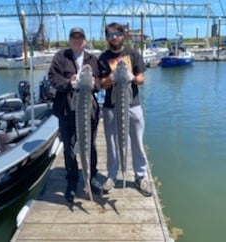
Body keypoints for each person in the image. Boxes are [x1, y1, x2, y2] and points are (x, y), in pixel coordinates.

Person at [98, 22, 152, 197]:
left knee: (137, 141)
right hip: (111, 107)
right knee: (112, 143)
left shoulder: (133, 53)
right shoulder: (103, 58)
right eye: (110, 35)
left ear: (123, 35)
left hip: (133, 104)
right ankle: (112, 177)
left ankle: (140, 176)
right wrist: (111, 78)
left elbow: (141, 78)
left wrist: (132, 78)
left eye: (117, 33)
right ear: (107, 38)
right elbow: (102, 84)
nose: (114, 37)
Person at [48, 27, 101, 202]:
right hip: (66, 110)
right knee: (70, 150)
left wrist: (95, 83)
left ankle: (92, 177)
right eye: (74, 37)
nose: (77, 40)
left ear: (84, 40)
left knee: (90, 145)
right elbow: (53, 79)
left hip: (88, 111)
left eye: (80, 37)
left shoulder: (92, 59)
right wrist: (69, 83)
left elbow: (101, 81)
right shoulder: (60, 57)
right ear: (69, 40)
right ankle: (72, 181)